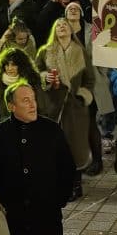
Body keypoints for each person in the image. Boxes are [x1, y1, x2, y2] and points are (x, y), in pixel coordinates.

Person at [0, 83, 76, 235]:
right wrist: (2, 205)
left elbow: (67, 168)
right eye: (25, 100)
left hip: (47, 212)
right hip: (15, 215)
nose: (32, 104)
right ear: (11, 106)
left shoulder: (51, 129)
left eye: (33, 99)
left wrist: (59, 199)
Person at [37, 18, 92, 175]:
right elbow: (35, 73)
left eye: (65, 25)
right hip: (52, 104)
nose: (61, 27)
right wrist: (44, 76)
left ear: (70, 30)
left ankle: (75, 183)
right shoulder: (44, 51)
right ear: (54, 30)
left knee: (75, 146)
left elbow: (90, 79)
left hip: (74, 106)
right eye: (58, 25)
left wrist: (83, 96)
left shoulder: (80, 51)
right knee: (53, 144)